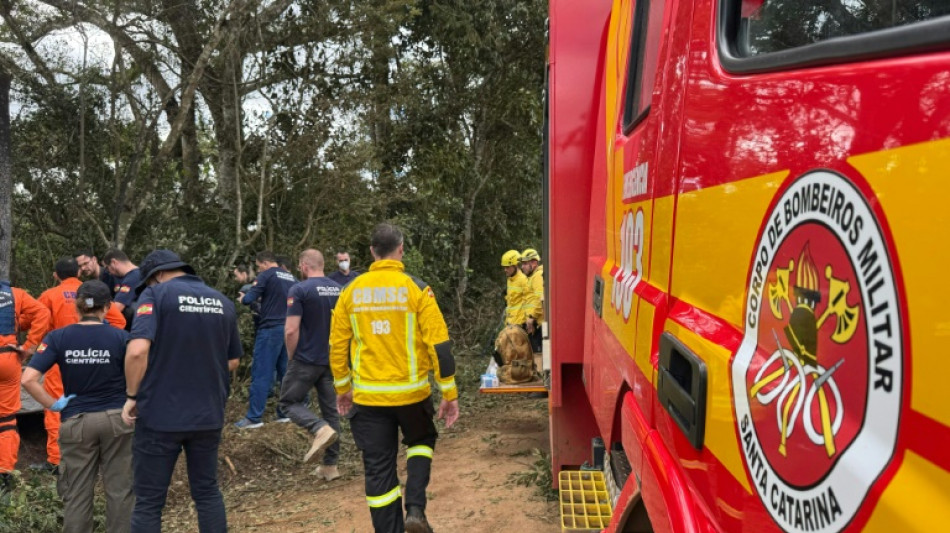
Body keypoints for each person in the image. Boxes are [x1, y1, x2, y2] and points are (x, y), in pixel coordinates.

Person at [329, 223, 460, 533]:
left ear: (372, 252)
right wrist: (449, 393)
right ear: (401, 250)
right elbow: (439, 345)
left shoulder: (350, 292)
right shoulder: (417, 289)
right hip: (413, 396)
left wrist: (343, 389)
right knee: (421, 440)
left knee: (378, 470)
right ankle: (415, 507)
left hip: (368, 400)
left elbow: (336, 346)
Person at [122, 250, 242, 533]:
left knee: (149, 502)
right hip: (208, 413)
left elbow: (137, 351)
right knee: (207, 492)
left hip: (160, 415)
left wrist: (131, 396)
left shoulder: (155, 296)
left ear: (158, 276)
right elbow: (233, 360)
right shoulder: (222, 301)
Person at [22, 280, 134, 533]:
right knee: (121, 490)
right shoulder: (122, 338)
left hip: (76, 420)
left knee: (77, 492)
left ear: (77, 307)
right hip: (118, 419)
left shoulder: (58, 337)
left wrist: (55, 404)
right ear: (107, 308)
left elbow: (28, 379)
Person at [34, 257, 127, 474]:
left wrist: (32, 347)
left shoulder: (49, 296)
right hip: (98, 359)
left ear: (56, 275)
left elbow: (39, 324)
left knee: (56, 409)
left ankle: (58, 461)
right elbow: (119, 322)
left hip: (60, 361)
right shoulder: (95, 295)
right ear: (78, 273)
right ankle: (100, 457)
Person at [279, 249, 342, 479]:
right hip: (332, 359)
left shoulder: (300, 289)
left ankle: (318, 428)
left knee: (288, 402)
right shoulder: (339, 289)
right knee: (331, 410)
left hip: (306, 358)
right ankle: (330, 466)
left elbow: (291, 329)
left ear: (304, 266)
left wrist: (291, 355)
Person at [235, 251, 296, 429]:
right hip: (288, 329)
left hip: (270, 329)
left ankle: (254, 418)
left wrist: (242, 298)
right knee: (285, 373)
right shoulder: (291, 277)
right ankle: (285, 413)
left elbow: (249, 299)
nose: (258, 268)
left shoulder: (267, 275)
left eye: (258, 265)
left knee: (262, 372)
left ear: (264, 263)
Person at [0, 280, 50, 489]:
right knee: (7, 418)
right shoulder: (15, 294)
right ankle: (3, 474)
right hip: (7, 359)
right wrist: (29, 346)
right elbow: (43, 313)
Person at [102, 248, 142, 329]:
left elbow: (117, 307)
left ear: (113, 262)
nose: (108, 271)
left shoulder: (134, 277)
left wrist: (94, 315)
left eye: (107, 267)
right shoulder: (122, 277)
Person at [520, 248, 545, 353]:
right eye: (522, 264)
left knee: (538, 356)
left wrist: (532, 317)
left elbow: (541, 299)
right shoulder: (532, 277)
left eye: (525, 264)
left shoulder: (537, 277)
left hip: (539, 324)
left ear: (534, 263)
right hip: (535, 323)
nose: (522, 267)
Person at [501, 250, 527, 326]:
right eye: (504, 267)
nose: (505, 270)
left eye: (507, 267)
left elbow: (529, 302)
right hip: (510, 323)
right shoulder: (510, 279)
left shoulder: (523, 280)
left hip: (520, 324)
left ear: (515, 265)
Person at [233, 265, 261, 330]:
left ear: (243, 274)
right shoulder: (259, 282)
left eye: (236, 276)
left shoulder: (245, 289)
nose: (235, 278)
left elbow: (240, 309)